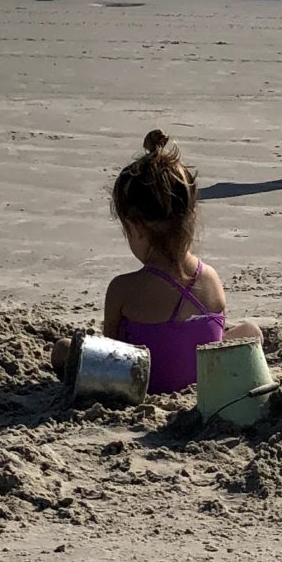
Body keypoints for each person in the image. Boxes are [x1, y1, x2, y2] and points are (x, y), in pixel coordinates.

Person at [97, 129, 229, 391]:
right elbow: (217, 339)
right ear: (191, 217)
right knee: (250, 332)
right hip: (201, 379)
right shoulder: (211, 278)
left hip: (143, 382)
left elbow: (110, 351)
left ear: (136, 229)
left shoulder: (122, 289)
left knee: (64, 350)